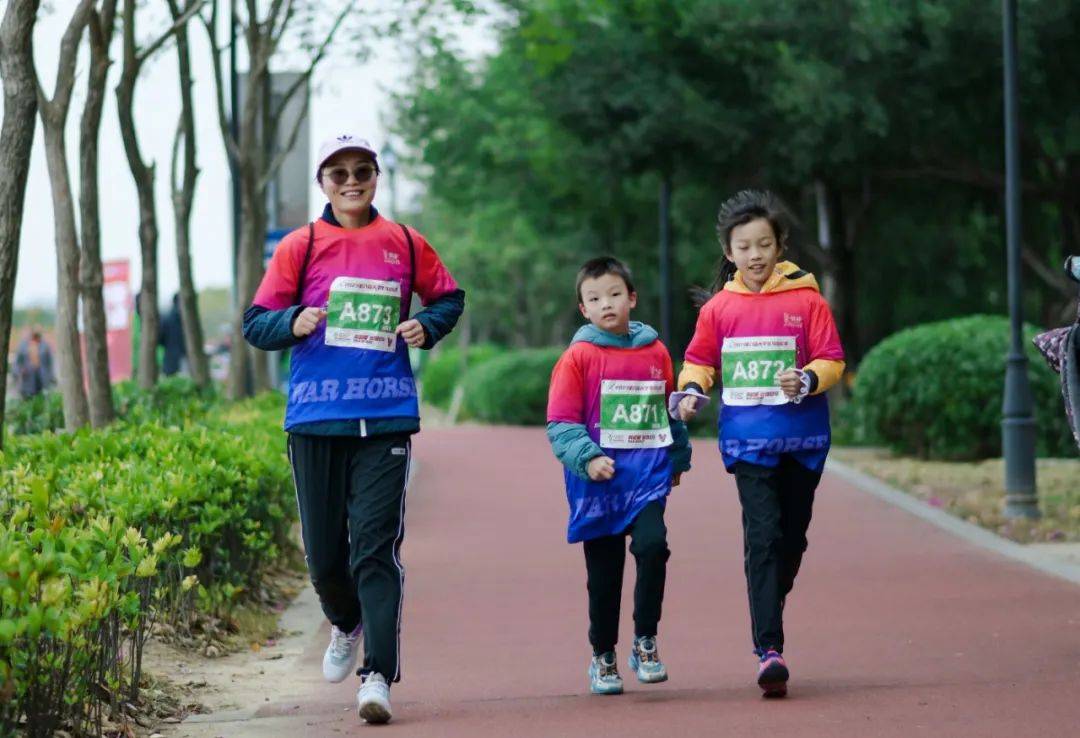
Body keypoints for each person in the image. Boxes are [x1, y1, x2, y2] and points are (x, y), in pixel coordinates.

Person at [243, 133, 465, 724]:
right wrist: (295, 320)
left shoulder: (405, 242)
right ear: (323, 183)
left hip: (386, 417)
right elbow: (255, 323)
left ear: (374, 177)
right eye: (337, 173)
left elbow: (448, 298)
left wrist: (427, 326)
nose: (350, 181)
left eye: (361, 170)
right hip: (316, 419)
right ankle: (345, 622)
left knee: (376, 549)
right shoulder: (301, 245)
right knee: (323, 559)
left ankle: (378, 676)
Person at [674, 190, 844, 698]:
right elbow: (699, 361)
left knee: (791, 540)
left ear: (780, 245)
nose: (755, 255)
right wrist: (690, 391)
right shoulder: (720, 309)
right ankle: (769, 648)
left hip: (804, 441)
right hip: (749, 444)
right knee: (763, 537)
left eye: (764, 244)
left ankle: (769, 596)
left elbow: (832, 358)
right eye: (744, 246)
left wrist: (808, 380)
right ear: (728, 252)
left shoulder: (807, 299)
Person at [546, 256, 691, 696]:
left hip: (646, 479)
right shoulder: (577, 358)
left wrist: (677, 460)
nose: (605, 303)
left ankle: (645, 641)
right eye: (594, 298)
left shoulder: (657, 352)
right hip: (600, 485)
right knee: (604, 575)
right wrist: (588, 458)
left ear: (631, 298)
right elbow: (561, 422)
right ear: (583, 309)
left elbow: (667, 410)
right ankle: (602, 655)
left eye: (613, 294)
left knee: (653, 546)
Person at [13, 326, 55, 399]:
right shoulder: (23, 345)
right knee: (27, 398)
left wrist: (51, 376)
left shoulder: (45, 346)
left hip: (41, 377)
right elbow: (17, 362)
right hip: (27, 378)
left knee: (41, 398)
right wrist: (19, 371)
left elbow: (50, 363)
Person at [159, 293, 187, 376]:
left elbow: (160, 340)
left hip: (170, 360)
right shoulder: (187, 321)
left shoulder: (166, 318)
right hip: (184, 358)